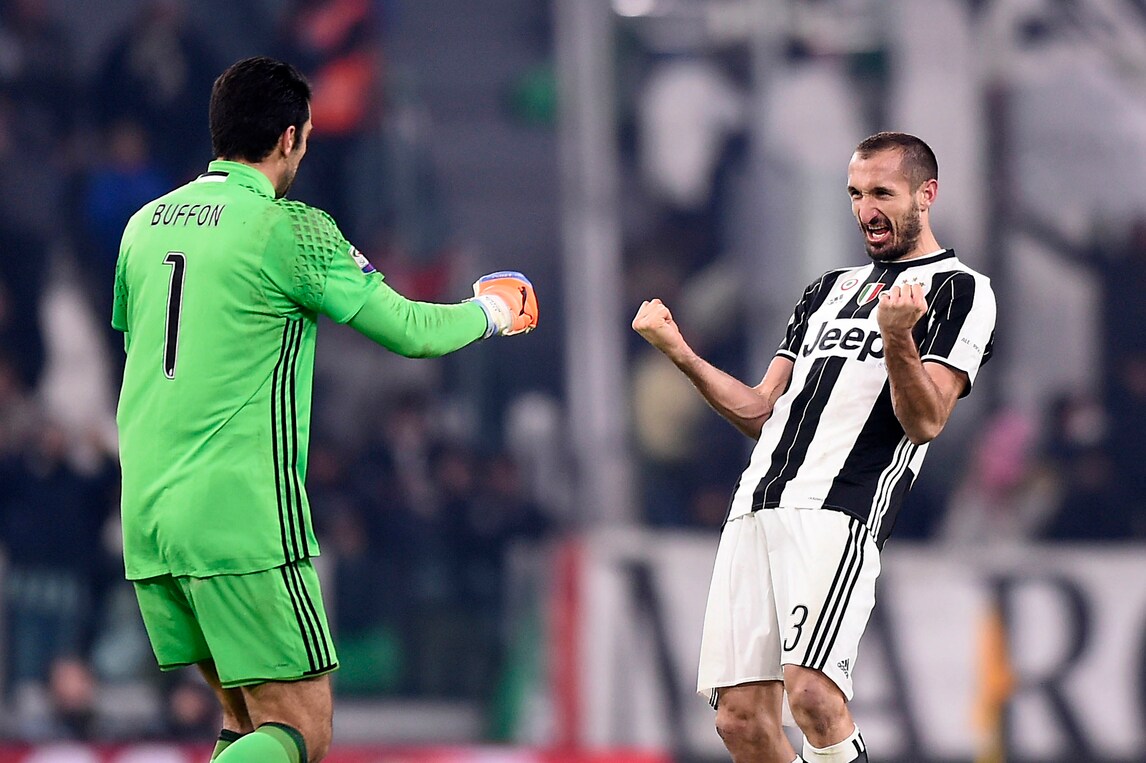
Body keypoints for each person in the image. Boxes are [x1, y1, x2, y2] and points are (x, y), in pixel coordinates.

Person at [111, 56, 538, 763]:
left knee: (248, 722)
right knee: (301, 729)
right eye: (306, 138)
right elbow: (410, 330)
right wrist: (493, 310)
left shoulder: (143, 226)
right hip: (238, 517)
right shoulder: (288, 229)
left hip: (150, 518)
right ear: (289, 138)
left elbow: (140, 348)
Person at [632, 132, 995, 763]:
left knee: (814, 697)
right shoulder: (827, 289)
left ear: (926, 194)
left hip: (838, 509)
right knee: (740, 721)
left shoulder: (960, 290)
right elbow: (761, 410)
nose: (866, 210)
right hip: (756, 505)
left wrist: (898, 339)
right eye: (855, 194)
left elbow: (926, 421)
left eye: (882, 192)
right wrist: (679, 351)